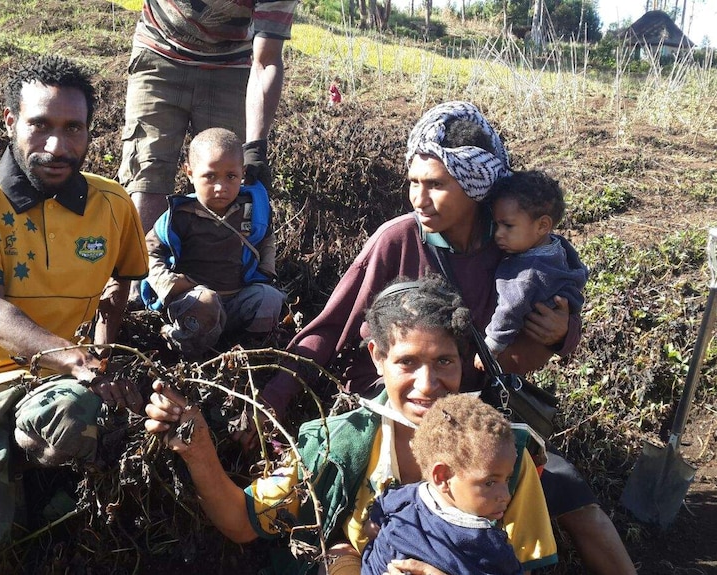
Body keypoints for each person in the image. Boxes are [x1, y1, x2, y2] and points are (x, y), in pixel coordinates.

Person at [254, 101, 635, 575]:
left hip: (475, 417)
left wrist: (563, 332)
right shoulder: (396, 240)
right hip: (393, 409)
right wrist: (268, 401)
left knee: (572, 497)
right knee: (357, 534)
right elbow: (332, 328)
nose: (419, 198)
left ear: (475, 190)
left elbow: (554, 318)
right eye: (414, 182)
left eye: (436, 185)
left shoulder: (515, 249)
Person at [0, 55, 149, 575]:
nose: (57, 146)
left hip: (51, 379)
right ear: (10, 122)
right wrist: (79, 360)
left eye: (73, 128)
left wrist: (101, 354)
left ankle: (28, 479)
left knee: (72, 420)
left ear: (89, 132)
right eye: (40, 125)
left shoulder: (112, 203)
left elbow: (120, 284)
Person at [145, 274, 557, 575]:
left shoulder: (506, 452)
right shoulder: (339, 442)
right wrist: (199, 450)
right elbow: (243, 522)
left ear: (463, 359)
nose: (428, 386)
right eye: (407, 363)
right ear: (377, 357)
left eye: (444, 362)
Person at [119, 0, 298, 305]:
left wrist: (254, 147)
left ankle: (213, 294)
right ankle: (137, 289)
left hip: (232, 64)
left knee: (223, 173)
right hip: (160, 46)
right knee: (148, 170)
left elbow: (266, 61)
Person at [140, 127, 286, 356]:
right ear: (189, 172)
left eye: (231, 176)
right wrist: (166, 283)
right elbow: (149, 250)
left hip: (237, 297)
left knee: (269, 298)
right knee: (205, 302)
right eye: (210, 176)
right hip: (193, 301)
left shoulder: (251, 209)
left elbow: (266, 236)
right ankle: (184, 344)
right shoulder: (179, 215)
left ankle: (252, 352)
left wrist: (267, 270)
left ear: (243, 173)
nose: (221, 187)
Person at [362, 394, 525, 575]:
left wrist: (373, 525)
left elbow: (381, 507)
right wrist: (373, 525)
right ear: (443, 477)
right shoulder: (486, 547)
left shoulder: (405, 498)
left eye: (507, 480)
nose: (505, 495)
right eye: (490, 482)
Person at [477, 170, 588, 370]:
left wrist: (491, 346)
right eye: (495, 224)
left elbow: (510, 309)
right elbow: (580, 269)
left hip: (510, 359)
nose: (498, 234)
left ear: (543, 225)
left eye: (508, 226)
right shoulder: (557, 245)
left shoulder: (527, 275)